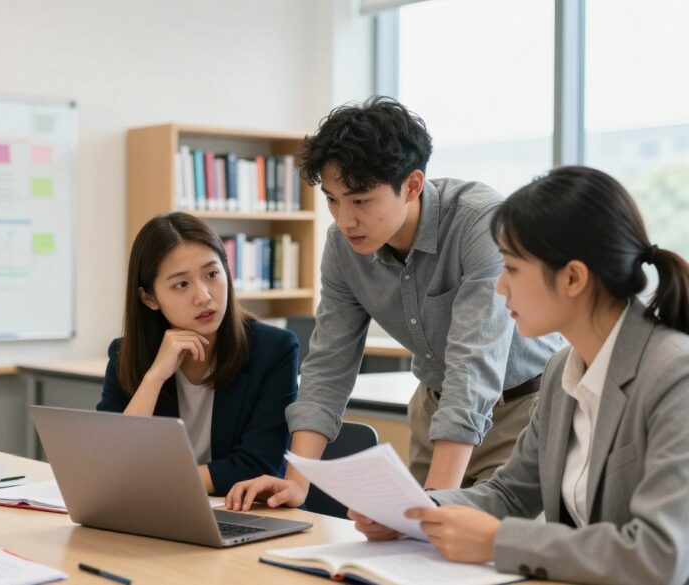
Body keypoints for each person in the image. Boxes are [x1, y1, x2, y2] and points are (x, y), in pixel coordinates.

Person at [227, 97, 563, 511]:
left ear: (412, 185)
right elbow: (329, 363)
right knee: (420, 561)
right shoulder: (342, 247)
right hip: (436, 410)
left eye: (360, 200)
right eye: (332, 199)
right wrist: (297, 482)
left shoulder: (481, 222)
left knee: (479, 554)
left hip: (524, 411)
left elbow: (473, 364)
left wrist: (434, 506)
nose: (344, 219)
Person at [359, 166, 689, 585]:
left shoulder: (675, 375)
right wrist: (416, 515)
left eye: (511, 268)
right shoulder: (560, 371)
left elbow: (662, 556)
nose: (499, 287)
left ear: (573, 277)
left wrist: (501, 542)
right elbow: (510, 493)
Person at [97, 212, 298, 495]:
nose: (203, 296)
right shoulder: (126, 354)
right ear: (149, 298)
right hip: (161, 516)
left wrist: (156, 482)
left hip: (248, 515)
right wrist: (154, 378)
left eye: (212, 274)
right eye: (182, 284)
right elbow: (110, 462)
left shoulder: (274, 350)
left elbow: (256, 465)